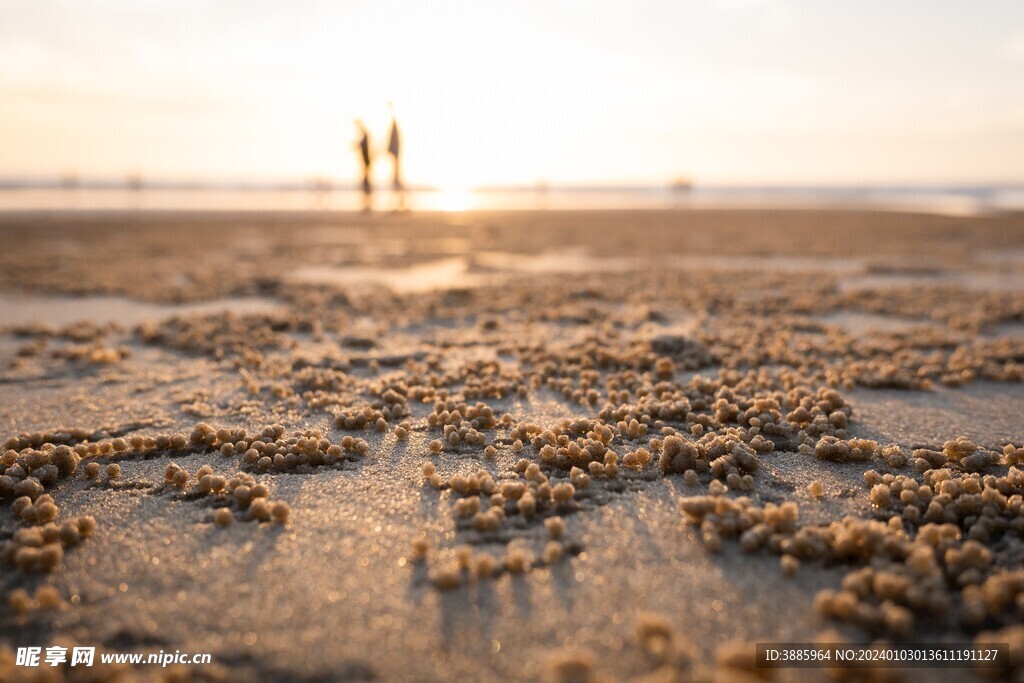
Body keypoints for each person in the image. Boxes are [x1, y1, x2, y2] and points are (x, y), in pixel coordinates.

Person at [354, 119, 371, 210]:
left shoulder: (365, 135)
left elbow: (361, 146)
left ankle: (367, 202)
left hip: (366, 162)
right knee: (366, 181)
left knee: (366, 182)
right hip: (366, 162)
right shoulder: (365, 135)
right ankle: (366, 202)